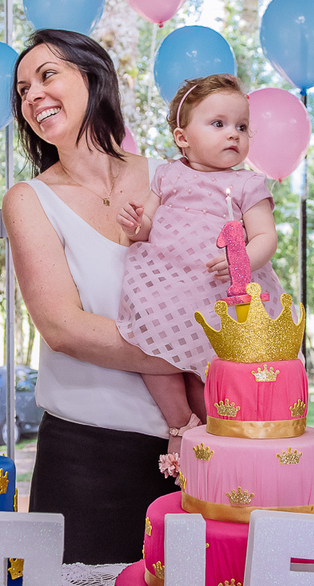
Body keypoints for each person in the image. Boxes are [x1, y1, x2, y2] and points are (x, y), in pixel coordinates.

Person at [2, 29, 184, 565]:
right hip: (86, 461)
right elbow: (63, 327)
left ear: (93, 77)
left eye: (47, 75)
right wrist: (193, 354)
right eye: (21, 90)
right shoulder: (28, 199)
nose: (32, 95)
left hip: (197, 452)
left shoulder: (170, 178)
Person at [116, 74, 284, 462]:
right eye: (219, 124)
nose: (234, 135)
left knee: (206, 374)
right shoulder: (167, 175)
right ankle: (179, 423)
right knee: (149, 345)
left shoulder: (249, 185)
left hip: (218, 289)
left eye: (242, 127)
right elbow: (147, 228)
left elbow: (265, 238)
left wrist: (239, 260)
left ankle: (215, 440)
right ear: (182, 137)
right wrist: (134, 225)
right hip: (167, 285)